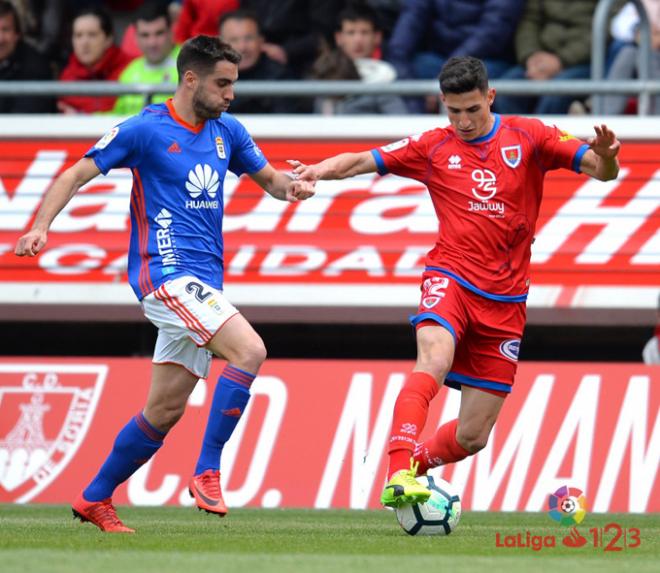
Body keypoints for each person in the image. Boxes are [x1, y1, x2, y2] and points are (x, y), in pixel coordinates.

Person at [15, 35, 314, 533]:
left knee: (165, 409)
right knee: (249, 351)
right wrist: (41, 225)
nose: (230, 94)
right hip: (165, 275)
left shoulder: (228, 132)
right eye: (222, 84)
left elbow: (272, 181)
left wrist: (294, 188)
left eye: (233, 84)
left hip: (204, 284)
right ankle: (208, 470)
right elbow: (73, 175)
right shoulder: (145, 130)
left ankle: (94, 497)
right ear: (190, 79)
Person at [291, 56, 620, 508]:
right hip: (451, 277)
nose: (463, 122)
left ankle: (415, 467)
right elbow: (361, 161)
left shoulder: (531, 135)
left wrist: (608, 157)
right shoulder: (432, 146)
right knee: (434, 356)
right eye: (453, 111)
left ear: (490, 97)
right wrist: (315, 172)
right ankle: (396, 469)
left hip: (506, 300)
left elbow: (600, 172)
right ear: (443, 104)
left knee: (473, 436)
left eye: (472, 110)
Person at [494, 0, 599, 115]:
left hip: (585, 62)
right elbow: (529, 21)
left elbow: (607, 29)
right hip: (539, 58)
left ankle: (545, 132)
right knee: (508, 91)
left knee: (556, 94)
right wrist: (531, 56)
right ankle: (522, 132)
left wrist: (561, 60)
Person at [310, 2, 407, 115]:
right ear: (339, 38)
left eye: (364, 32)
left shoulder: (394, 74)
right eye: (351, 33)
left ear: (377, 37)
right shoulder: (326, 72)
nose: (358, 40)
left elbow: (400, 119)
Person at [218, 9, 299, 113]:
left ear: (261, 41)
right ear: (220, 45)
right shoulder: (208, 77)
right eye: (234, 40)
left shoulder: (280, 75)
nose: (242, 47)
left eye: (249, 38)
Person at [58, 6, 131, 114]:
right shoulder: (67, 76)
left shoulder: (129, 69)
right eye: (78, 35)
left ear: (108, 39)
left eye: (92, 35)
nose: (84, 43)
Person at [112, 1, 180, 115]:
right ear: (135, 37)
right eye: (145, 35)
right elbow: (116, 118)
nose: (152, 43)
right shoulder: (129, 72)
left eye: (159, 33)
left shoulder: (191, 62)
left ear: (170, 32)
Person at [0, 0, 55, 113]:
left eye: (5, 30)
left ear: (17, 34)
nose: (0, 39)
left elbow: (28, 114)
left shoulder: (36, 66)